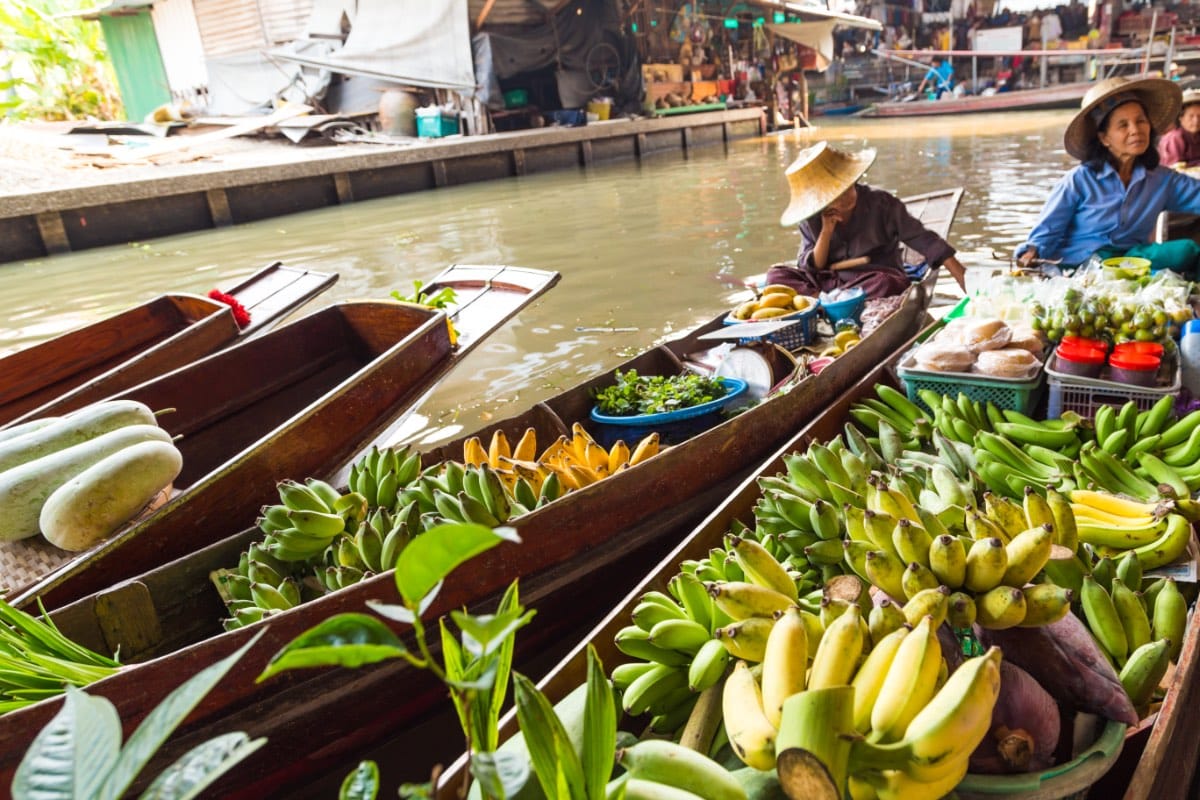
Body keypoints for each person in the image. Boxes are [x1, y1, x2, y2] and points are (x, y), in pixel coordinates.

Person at [1016, 76, 1200, 276]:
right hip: (1079, 266)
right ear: (1104, 138)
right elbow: (1047, 231)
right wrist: (1031, 252)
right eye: (1123, 125)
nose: (1135, 130)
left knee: (1187, 251)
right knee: (1150, 274)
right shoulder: (1079, 180)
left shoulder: (1163, 180)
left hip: (1130, 259)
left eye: (1141, 121)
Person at [767, 142, 967, 299]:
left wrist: (961, 275)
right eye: (833, 196)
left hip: (869, 281)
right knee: (776, 277)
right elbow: (812, 266)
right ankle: (824, 303)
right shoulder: (811, 217)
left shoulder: (882, 204)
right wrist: (826, 231)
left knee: (887, 283)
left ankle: (832, 303)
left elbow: (924, 239)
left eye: (846, 188)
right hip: (827, 283)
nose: (844, 197)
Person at [1158, 88, 1200, 168]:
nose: (1196, 120)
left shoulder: (1197, 134)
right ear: (1181, 118)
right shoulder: (1175, 138)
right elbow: (1175, 169)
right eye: (1191, 116)